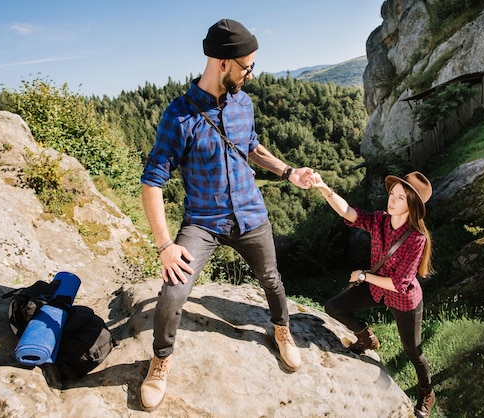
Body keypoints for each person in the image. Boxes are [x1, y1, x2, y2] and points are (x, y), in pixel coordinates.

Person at [139, 18, 314, 411]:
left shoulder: (243, 103)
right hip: (203, 222)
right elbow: (152, 182)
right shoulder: (178, 116)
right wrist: (166, 245)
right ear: (222, 63)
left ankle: (282, 330)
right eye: (246, 66)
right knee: (172, 292)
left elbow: (251, 146)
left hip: (251, 213)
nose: (250, 73)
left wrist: (289, 172)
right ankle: (161, 360)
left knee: (271, 278)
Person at [311, 171, 436, 417]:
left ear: (412, 205)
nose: (392, 200)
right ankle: (366, 337)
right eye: (392, 194)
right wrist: (323, 187)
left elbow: (400, 284)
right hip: (377, 289)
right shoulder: (379, 219)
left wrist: (363, 276)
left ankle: (427, 392)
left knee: (413, 351)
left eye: (400, 198)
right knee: (334, 307)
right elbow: (348, 212)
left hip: (404, 299)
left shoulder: (417, 239)